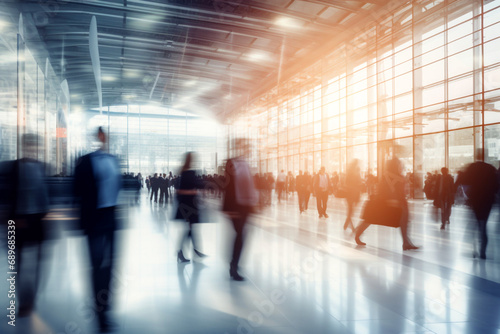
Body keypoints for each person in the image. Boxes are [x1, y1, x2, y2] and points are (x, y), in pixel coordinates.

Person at [74, 127, 122, 332]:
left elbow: (117, 187)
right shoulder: (86, 161)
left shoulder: (113, 160)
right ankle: (100, 312)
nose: (103, 138)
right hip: (94, 219)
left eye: (106, 136)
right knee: (97, 266)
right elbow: (77, 189)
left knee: (109, 266)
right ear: (97, 137)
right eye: (101, 135)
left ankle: (105, 306)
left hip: (110, 218)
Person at [0, 133, 50, 317]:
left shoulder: (41, 167)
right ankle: (24, 300)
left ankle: (30, 298)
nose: (31, 148)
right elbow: (6, 195)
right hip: (16, 221)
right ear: (23, 146)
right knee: (18, 264)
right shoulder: (11, 168)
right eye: (28, 145)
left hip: (36, 221)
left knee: (37, 263)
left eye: (34, 145)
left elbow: (44, 195)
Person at [354, 157, 419, 250]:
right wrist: (391, 199)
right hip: (385, 203)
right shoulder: (388, 176)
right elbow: (383, 189)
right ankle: (357, 235)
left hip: (398, 202)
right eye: (398, 164)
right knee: (369, 219)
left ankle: (406, 242)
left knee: (404, 220)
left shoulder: (397, 176)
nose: (400, 166)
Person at [222, 138, 258, 281]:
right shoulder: (232, 163)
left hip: (246, 205)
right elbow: (228, 186)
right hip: (236, 206)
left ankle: (234, 263)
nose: (247, 150)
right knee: (240, 236)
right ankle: (233, 265)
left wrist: (254, 203)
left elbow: (249, 184)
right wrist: (229, 208)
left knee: (241, 236)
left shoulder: (245, 163)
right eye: (245, 147)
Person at [460, 150, 498, 259]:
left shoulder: (471, 167)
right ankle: (482, 251)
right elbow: (496, 185)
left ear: (476, 156)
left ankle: (474, 249)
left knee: (475, 224)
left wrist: (468, 196)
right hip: (487, 200)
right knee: (483, 225)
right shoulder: (490, 168)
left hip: (475, 199)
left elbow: (464, 182)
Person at [174, 152, 206, 262]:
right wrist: (193, 191)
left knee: (191, 229)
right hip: (189, 205)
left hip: (187, 204)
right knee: (190, 229)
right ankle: (188, 251)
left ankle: (193, 250)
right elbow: (181, 190)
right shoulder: (188, 173)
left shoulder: (184, 172)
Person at [344, 160, 363, 232]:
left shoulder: (355, 172)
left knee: (351, 211)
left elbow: (358, 182)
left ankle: (347, 224)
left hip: (354, 194)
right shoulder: (351, 173)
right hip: (351, 194)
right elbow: (347, 183)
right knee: (351, 210)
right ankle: (350, 226)